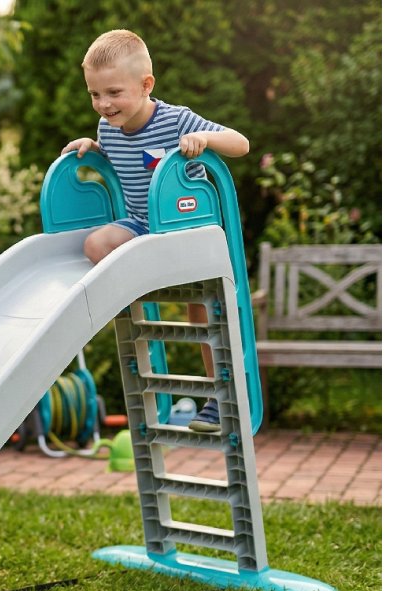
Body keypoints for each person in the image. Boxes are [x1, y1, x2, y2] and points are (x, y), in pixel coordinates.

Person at [60, 29, 250, 434]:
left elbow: (241, 144)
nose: (104, 104)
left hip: (185, 231)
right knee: (95, 244)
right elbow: (116, 160)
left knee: (203, 318)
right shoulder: (108, 129)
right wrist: (91, 146)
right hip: (142, 226)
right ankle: (145, 287)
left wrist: (204, 137)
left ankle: (220, 398)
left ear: (146, 85)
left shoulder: (176, 120)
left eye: (114, 92)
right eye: (95, 94)